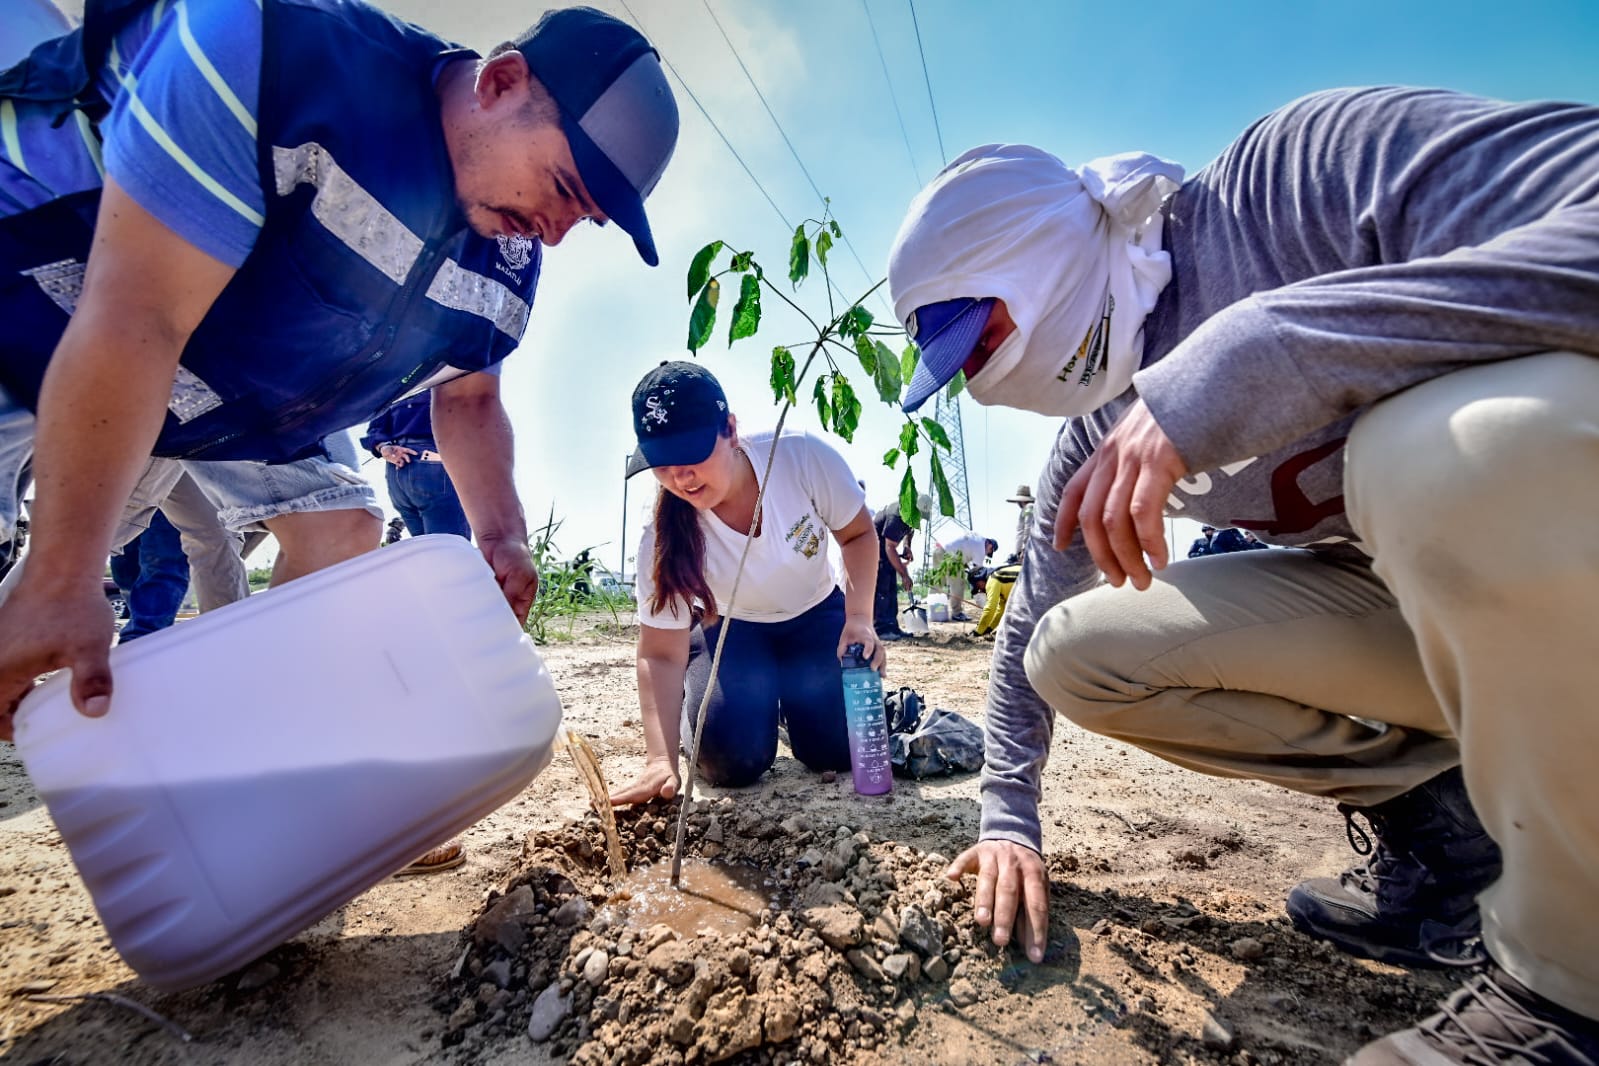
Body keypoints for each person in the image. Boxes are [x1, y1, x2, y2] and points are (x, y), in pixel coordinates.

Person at [888, 87, 1599, 1063]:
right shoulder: (1096, 431)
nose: (980, 383)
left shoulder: (1292, 179)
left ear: (1036, 257)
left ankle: (1575, 994)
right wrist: (1008, 813)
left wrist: (1265, 352)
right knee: (1075, 652)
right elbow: (1021, 635)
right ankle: (1449, 844)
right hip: (1438, 630)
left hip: (1568, 554)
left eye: (979, 341)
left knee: (1425, 449)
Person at [0, 0, 680, 737]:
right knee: (43, 580)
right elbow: (140, 316)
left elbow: (471, 394)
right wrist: (64, 572)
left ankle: (269, 763)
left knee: (341, 530)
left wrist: (503, 533)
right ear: (502, 82)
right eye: (563, 189)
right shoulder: (271, 56)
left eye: (585, 219)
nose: (555, 233)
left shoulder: (506, 247)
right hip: (44, 306)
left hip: (219, 395)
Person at [608, 362, 883, 803]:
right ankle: (736, 706)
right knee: (730, 759)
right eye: (662, 464)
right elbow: (660, 653)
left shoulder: (800, 459)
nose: (681, 477)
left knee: (834, 751)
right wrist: (660, 760)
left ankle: (790, 707)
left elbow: (857, 535)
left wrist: (860, 619)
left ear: (730, 430)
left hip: (815, 614)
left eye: (692, 454)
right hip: (734, 629)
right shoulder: (659, 534)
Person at [361, 393, 471, 541]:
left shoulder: (397, 388)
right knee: (450, 550)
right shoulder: (442, 381)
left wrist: (384, 447)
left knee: (426, 550)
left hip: (397, 471)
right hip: (433, 466)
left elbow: (375, 429)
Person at [107, 510, 189, 642]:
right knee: (124, 570)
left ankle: (145, 635)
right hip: (129, 497)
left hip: (170, 498)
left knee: (162, 562)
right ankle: (140, 625)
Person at [872, 498, 918, 641]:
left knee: (892, 590)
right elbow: (889, 547)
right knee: (883, 590)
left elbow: (910, 531)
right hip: (873, 550)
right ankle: (881, 629)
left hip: (886, 551)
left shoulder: (911, 515)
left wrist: (906, 546)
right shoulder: (896, 516)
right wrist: (904, 575)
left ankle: (892, 627)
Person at [932, 529, 996, 621]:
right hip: (952, 557)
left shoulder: (977, 538)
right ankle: (956, 613)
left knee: (937, 583)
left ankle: (935, 613)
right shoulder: (981, 548)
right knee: (959, 584)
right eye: (989, 551)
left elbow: (963, 547)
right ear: (990, 544)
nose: (986, 554)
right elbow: (978, 575)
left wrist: (964, 563)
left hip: (938, 550)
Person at [1006, 484, 1035, 560]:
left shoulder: (1029, 507)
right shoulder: (1026, 508)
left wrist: (1025, 548)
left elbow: (1028, 527)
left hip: (1026, 550)